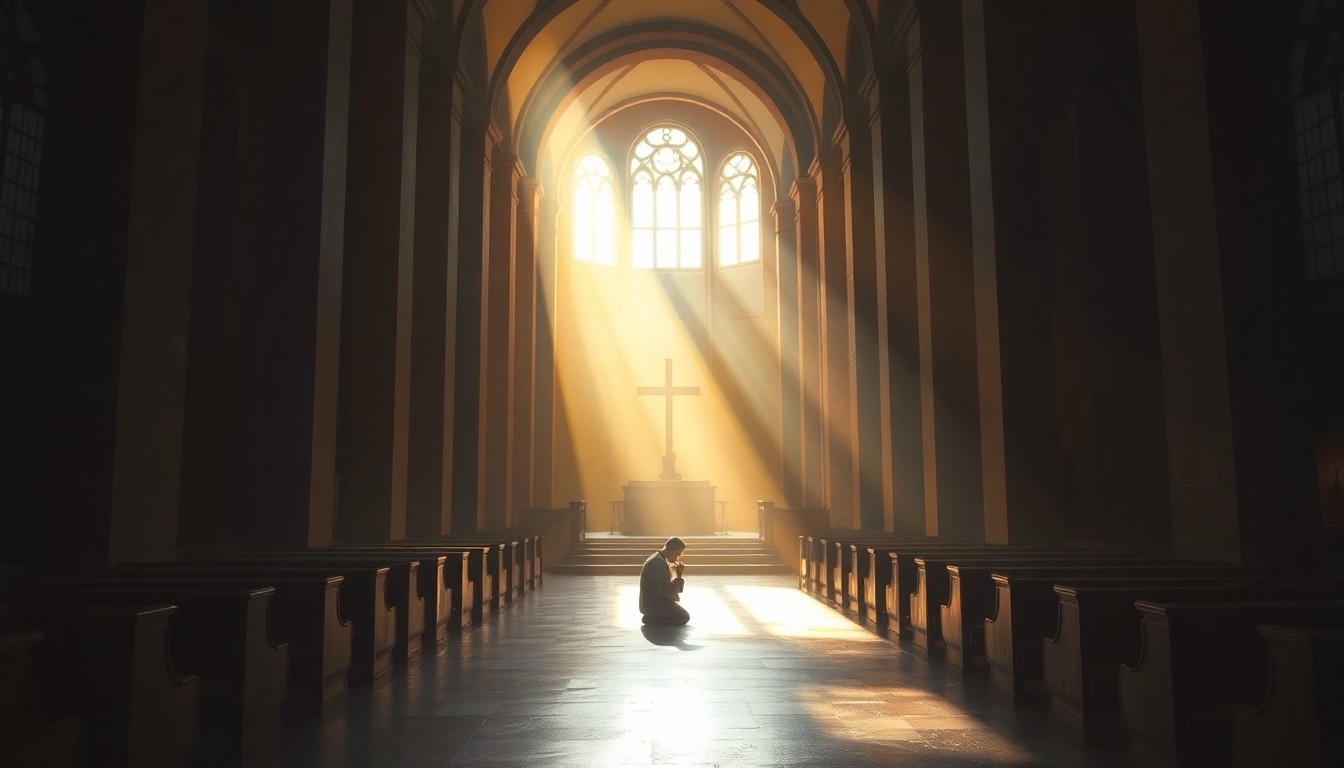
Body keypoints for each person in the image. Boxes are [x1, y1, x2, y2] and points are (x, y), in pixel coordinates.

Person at [639, 536, 689, 626]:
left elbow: (665, 587)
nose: (678, 558)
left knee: (682, 615)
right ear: (672, 550)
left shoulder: (659, 559)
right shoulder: (657, 563)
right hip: (654, 605)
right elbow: (667, 590)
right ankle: (651, 619)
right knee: (684, 617)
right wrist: (679, 576)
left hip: (654, 602)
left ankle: (653, 617)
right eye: (678, 554)